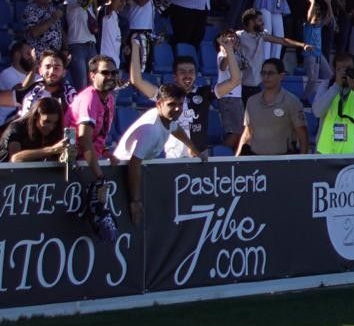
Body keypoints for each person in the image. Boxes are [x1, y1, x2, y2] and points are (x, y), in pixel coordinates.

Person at [128, 37, 240, 158]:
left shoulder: (204, 92)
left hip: (199, 156)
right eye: (182, 72)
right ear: (174, 76)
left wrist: (229, 50)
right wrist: (135, 48)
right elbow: (137, 81)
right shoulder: (166, 94)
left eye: (191, 72)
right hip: (173, 156)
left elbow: (235, 80)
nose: (187, 75)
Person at [114, 83, 206, 225]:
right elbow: (133, 164)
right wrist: (135, 201)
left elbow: (176, 129)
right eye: (171, 105)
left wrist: (194, 149)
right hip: (122, 176)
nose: (177, 109)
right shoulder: (151, 131)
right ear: (159, 104)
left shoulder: (167, 118)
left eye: (180, 105)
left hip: (138, 172)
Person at [236, 8, 314, 103]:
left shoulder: (262, 35)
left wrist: (302, 45)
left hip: (257, 85)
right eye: (259, 20)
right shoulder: (239, 36)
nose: (263, 23)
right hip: (242, 86)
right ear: (251, 22)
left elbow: (282, 41)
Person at [312, 53, 354, 154]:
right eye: (340, 70)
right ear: (334, 71)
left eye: (348, 69)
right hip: (327, 152)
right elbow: (317, 112)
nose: (344, 73)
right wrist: (335, 87)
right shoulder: (327, 86)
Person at [237, 58, 308, 156]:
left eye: (270, 73)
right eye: (263, 73)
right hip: (256, 160)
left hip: (282, 162)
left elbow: (302, 134)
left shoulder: (292, 101)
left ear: (281, 76)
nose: (266, 76)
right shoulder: (252, 101)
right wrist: (237, 158)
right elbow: (247, 132)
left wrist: (302, 161)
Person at [67, 55, 119, 185]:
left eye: (114, 73)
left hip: (86, 163)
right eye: (105, 72)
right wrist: (100, 176)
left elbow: (99, 134)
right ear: (92, 76)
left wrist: (105, 152)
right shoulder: (89, 99)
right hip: (72, 164)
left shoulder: (110, 98)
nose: (110, 77)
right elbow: (85, 140)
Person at [0, 96, 66, 163]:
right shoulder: (17, 128)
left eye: (55, 123)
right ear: (35, 117)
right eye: (46, 122)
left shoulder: (54, 131)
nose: (51, 127)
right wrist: (52, 149)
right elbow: (14, 159)